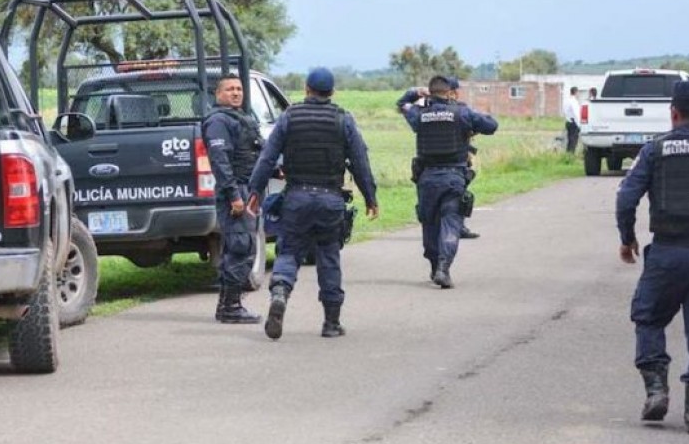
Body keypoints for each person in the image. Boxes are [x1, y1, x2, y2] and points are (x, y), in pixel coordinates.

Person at [247, 67, 379, 340]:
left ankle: (281, 292)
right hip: (331, 199)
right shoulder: (344, 119)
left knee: (289, 252)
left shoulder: (289, 117)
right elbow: (360, 161)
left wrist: (254, 192)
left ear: (306, 89)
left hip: (296, 198)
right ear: (332, 92)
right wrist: (370, 197)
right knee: (328, 256)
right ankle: (331, 323)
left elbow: (267, 159)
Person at [616, 79, 689, 434]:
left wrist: (627, 239)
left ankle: (656, 390)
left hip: (668, 252)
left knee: (650, 319)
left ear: (673, 113)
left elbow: (626, 197)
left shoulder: (656, 149)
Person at [396, 76, 498, 288]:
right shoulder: (462, 113)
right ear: (449, 93)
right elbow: (491, 125)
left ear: (430, 92)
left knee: (430, 224)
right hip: (454, 178)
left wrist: (415, 92)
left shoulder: (419, 114)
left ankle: (435, 267)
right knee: (451, 222)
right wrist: (473, 115)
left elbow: (401, 104)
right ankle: (443, 267)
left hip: (427, 179)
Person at [202, 73, 263, 324]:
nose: (236, 93)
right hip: (235, 191)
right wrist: (234, 196)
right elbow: (220, 161)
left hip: (248, 189)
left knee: (243, 247)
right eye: (229, 89)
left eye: (239, 88)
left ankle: (229, 305)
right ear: (218, 94)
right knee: (239, 247)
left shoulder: (241, 118)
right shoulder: (218, 121)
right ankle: (230, 308)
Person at [563, 85, 581, 153]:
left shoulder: (566, 100)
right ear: (576, 92)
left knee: (570, 140)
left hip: (568, 121)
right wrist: (579, 124)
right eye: (578, 92)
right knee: (574, 141)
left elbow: (564, 111)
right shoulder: (574, 101)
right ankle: (571, 155)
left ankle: (568, 155)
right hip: (574, 122)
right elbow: (576, 113)